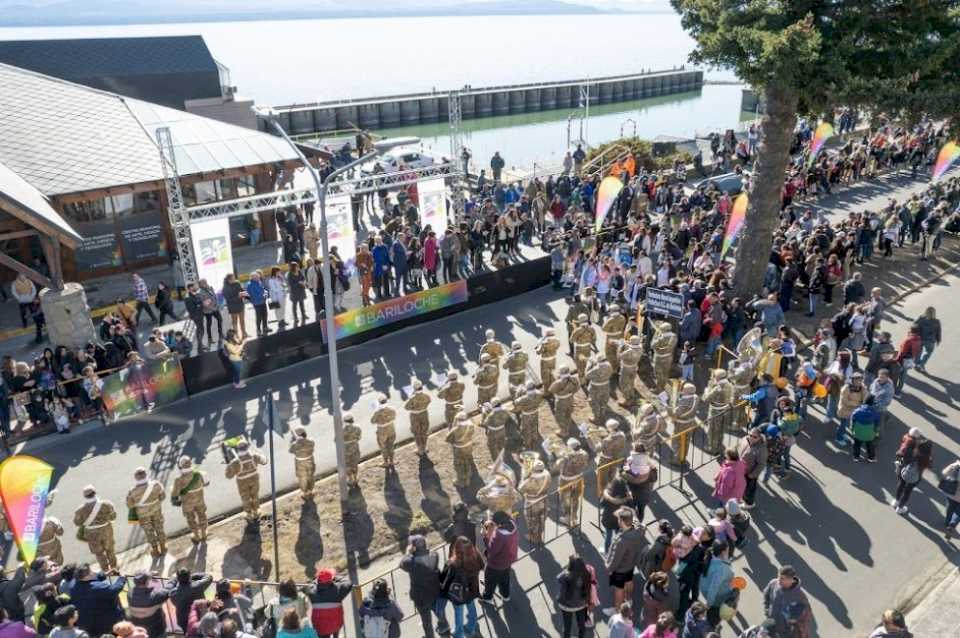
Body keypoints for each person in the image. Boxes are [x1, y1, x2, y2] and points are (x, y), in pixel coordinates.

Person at [399, 535, 446, 638]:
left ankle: (430, 636)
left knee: (426, 621)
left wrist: (408, 553)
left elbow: (402, 564)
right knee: (439, 611)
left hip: (421, 597)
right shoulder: (434, 555)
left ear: (413, 547)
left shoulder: (411, 562)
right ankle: (444, 626)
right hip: (435, 591)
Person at [603, 507, 645, 616]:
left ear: (621, 522)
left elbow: (615, 559)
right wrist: (624, 510)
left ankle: (617, 610)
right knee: (629, 580)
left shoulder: (621, 541)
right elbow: (633, 514)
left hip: (621, 568)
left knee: (619, 589)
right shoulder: (639, 528)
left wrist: (608, 568)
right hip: (631, 563)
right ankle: (629, 599)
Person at [441, 536, 484, 638]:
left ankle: (459, 634)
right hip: (472, 589)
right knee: (472, 607)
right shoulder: (476, 555)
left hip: (458, 594)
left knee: (458, 614)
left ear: (456, 548)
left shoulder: (452, 563)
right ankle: (471, 627)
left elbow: (445, 580)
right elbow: (482, 566)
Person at [69, 565, 124, 637]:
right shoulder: (95, 588)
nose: (93, 573)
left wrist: (105, 574)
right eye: (90, 572)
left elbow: (92, 579)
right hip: (104, 622)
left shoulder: (73, 584)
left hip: (87, 623)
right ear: (86, 577)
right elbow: (113, 590)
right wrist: (122, 578)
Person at [762, 566, 813, 638]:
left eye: (782, 578)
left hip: (787, 631)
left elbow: (807, 614)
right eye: (778, 577)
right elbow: (766, 594)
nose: (779, 580)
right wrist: (767, 610)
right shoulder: (773, 583)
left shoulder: (799, 596)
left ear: (790, 580)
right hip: (772, 624)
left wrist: (797, 624)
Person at [892, 427, 933, 515]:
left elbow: (901, 454)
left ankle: (896, 500)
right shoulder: (925, 456)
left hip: (903, 469)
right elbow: (929, 466)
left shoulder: (908, 442)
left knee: (901, 483)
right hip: (915, 475)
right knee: (908, 491)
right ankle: (900, 508)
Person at [480, 511, 519, 603]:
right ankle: (506, 595)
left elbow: (491, 550)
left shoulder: (499, 534)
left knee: (490, 581)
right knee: (505, 579)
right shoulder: (513, 525)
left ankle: (487, 598)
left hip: (496, 563)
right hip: (508, 560)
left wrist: (485, 536)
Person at [308, 568, 352, 638]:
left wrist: (316, 581)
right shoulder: (338, 589)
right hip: (336, 624)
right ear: (331, 580)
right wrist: (336, 577)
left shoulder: (312, 591)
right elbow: (348, 582)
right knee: (335, 630)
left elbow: (311, 584)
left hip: (320, 627)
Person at [699, 542, 734, 629]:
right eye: (728, 550)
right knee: (716, 615)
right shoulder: (722, 568)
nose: (729, 551)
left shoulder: (710, 558)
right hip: (717, 597)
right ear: (723, 552)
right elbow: (714, 587)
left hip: (705, 590)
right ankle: (713, 625)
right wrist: (709, 604)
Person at [556, 555, 591, 638]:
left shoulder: (565, 575)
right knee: (581, 625)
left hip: (566, 605)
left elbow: (558, 578)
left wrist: (567, 569)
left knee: (567, 626)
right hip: (581, 605)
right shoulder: (586, 574)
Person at [127, 572, 170, 637]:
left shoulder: (130, 594)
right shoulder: (154, 596)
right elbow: (167, 591)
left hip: (141, 631)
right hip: (157, 630)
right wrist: (173, 580)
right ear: (147, 582)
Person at [739, 428, 768, 508]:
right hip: (742, 470)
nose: (751, 437)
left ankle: (749, 503)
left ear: (759, 438)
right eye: (750, 435)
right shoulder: (746, 439)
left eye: (755, 437)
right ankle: (744, 498)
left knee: (750, 489)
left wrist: (752, 475)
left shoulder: (762, 449)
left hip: (750, 473)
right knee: (743, 486)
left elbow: (761, 464)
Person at [914, 306, 941, 371]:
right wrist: (938, 340)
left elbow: (914, 325)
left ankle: (916, 363)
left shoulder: (921, 318)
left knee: (918, 352)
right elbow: (938, 331)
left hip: (920, 338)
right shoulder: (936, 321)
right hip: (930, 341)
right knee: (928, 353)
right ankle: (922, 364)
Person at [941, 458, 960, 540]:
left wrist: (953, 465)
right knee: (958, 512)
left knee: (949, 508)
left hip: (951, 493)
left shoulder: (956, 466)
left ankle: (947, 523)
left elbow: (944, 473)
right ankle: (952, 524)